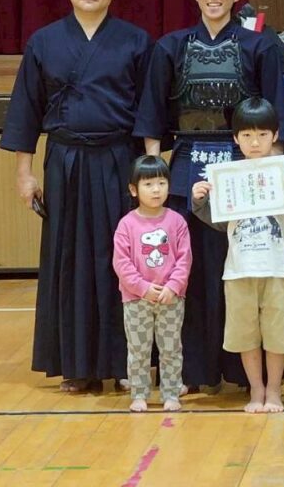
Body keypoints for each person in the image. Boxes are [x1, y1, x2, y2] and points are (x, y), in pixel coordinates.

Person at [134, 0, 284, 390]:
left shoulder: (261, 47)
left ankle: (245, 372)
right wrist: (156, 177)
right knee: (192, 270)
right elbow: (151, 117)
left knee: (243, 268)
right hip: (188, 167)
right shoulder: (171, 46)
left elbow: (275, 116)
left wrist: (272, 176)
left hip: (246, 171)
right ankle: (194, 369)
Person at [1, 0, 153, 392]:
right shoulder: (44, 41)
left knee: (123, 260)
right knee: (68, 260)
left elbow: (147, 110)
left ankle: (126, 361)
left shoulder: (134, 40)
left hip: (118, 161)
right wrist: (25, 173)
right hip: (65, 161)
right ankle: (77, 365)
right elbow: (26, 111)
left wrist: (146, 169)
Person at [191, 98, 284, 413]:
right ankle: (255, 391)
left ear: (275, 135)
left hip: (278, 270)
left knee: (276, 335)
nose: (254, 142)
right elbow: (219, 224)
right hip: (239, 270)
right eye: (246, 135)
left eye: (262, 134)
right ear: (235, 138)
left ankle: (274, 390)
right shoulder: (227, 177)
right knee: (245, 334)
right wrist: (200, 201)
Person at [112, 155, 192, 412]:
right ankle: (139, 393)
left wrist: (173, 287)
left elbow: (184, 259)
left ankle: (171, 392)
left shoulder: (177, 221)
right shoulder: (127, 224)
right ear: (133, 190)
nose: (156, 190)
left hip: (171, 298)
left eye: (161, 182)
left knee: (171, 348)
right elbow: (122, 264)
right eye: (148, 184)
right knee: (138, 349)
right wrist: (143, 288)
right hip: (136, 300)